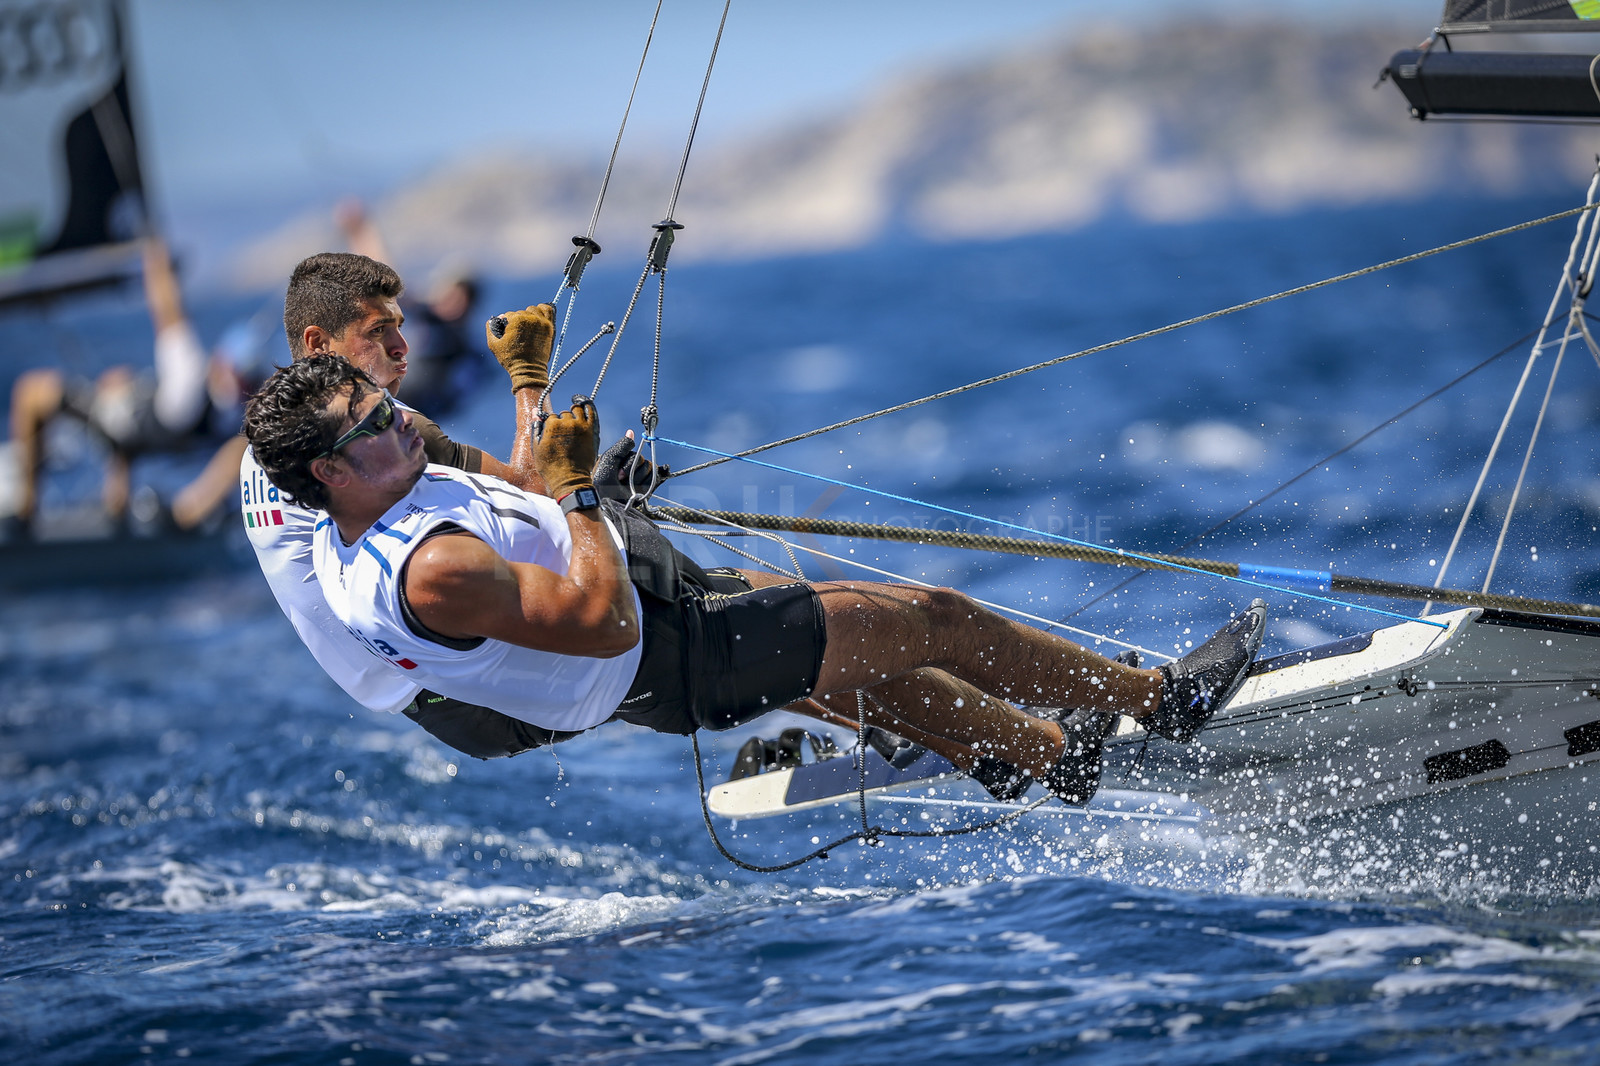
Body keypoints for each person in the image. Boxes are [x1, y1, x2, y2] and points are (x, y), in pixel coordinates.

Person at [243, 332, 1269, 806]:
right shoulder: (423, 574)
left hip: (648, 618)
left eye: (385, 401)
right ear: (330, 471)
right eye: (371, 424)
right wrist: (585, 496)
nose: (396, 417)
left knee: (864, 673)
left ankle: (1040, 755)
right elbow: (594, 616)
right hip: (660, 649)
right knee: (933, 617)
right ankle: (1159, 698)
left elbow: (521, 486)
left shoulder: (384, 487)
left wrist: (527, 388)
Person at [5, 236, 238, 536]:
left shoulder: (189, 376)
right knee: (123, 423)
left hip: (131, 424)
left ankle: (24, 515)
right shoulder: (219, 412)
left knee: (30, 392)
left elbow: (167, 310)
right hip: (141, 430)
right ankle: (143, 511)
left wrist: (155, 260)